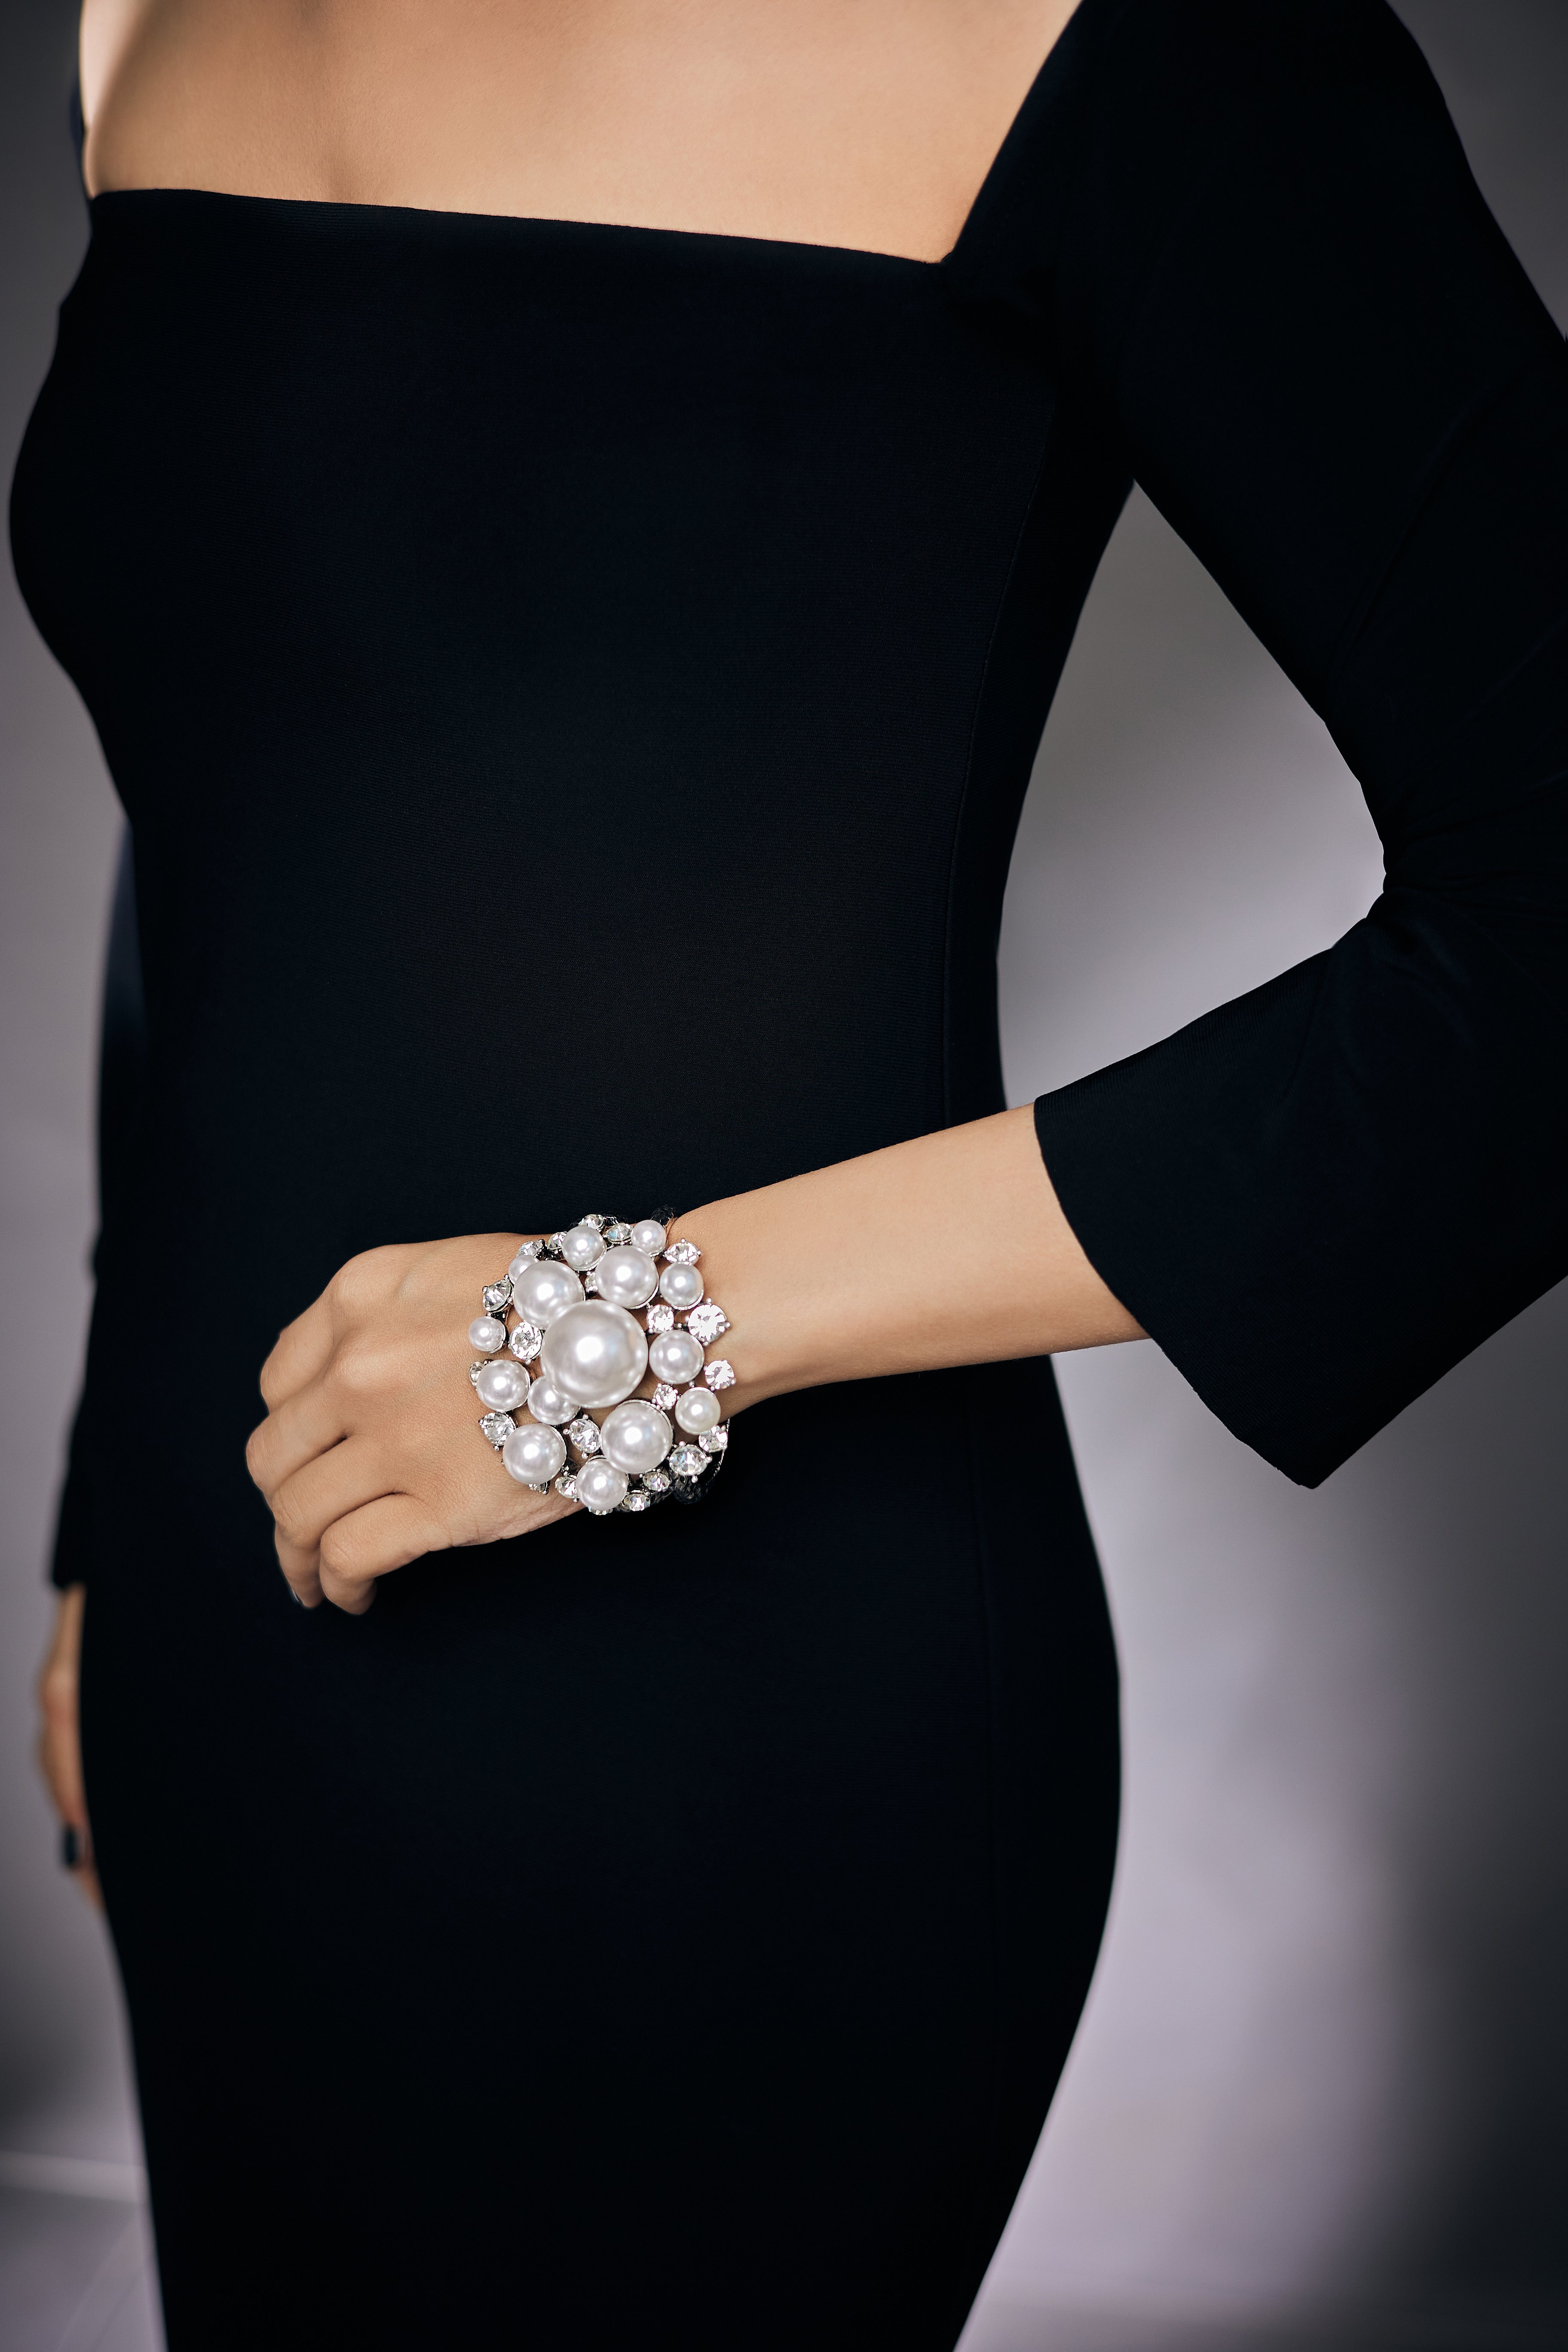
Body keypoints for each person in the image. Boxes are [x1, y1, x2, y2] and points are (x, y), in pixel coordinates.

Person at [16, 0, 1566, 2343]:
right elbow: (240, 804)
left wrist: (617, 1344)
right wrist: (91, 1534)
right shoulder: (139, 12)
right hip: (223, 1634)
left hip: (747, 1728)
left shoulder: (1134, 35)